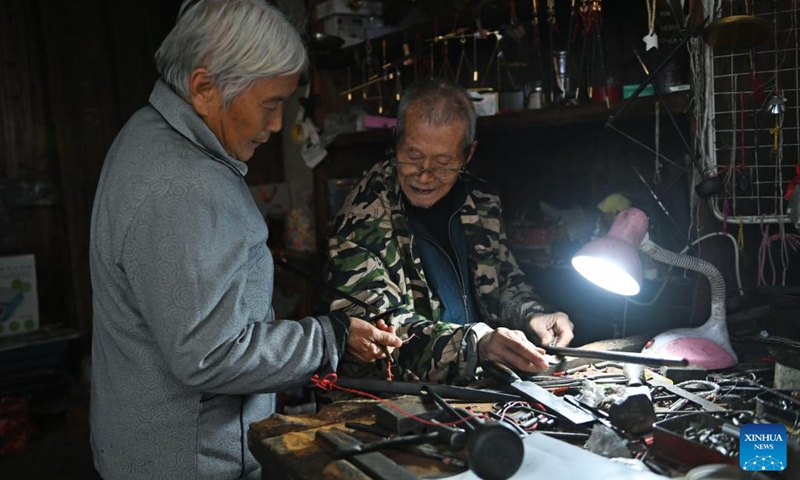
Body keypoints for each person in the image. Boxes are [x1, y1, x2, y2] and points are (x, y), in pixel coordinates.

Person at [89, 1, 401, 479]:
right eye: (271, 103)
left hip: (146, 447)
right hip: (189, 463)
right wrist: (329, 337)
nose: (277, 124)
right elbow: (210, 354)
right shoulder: (186, 183)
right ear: (203, 88)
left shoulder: (147, 133)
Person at [325, 78, 574, 385]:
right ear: (396, 140)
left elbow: (504, 281)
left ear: (468, 154)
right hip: (396, 395)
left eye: (443, 162)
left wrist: (535, 315)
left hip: (473, 386)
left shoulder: (481, 201)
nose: (424, 174)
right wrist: (477, 343)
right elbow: (378, 328)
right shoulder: (363, 214)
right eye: (413, 156)